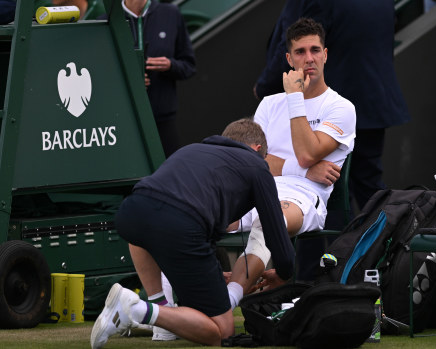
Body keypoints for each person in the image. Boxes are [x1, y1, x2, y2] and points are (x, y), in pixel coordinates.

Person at [89, 119, 295, 348]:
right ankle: (139, 310)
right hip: (181, 225)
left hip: (132, 212)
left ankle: (162, 313)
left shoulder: (192, 149)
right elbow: (277, 235)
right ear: (258, 149)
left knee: (144, 229)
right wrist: (284, 274)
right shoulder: (258, 166)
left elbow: (160, 207)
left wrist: (212, 277)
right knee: (223, 332)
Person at [226, 17, 356, 309]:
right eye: (300, 52)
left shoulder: (341, 107)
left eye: (314, 50)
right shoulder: (270, 104)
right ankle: (166, 307)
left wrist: (295, 97)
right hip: (253, 188)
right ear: (288, 58)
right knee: (193, 214)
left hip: (303, 198)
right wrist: (305, 169)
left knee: (268, 218)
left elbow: (307, 153)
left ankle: (229, 298)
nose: (308, 58)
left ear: (325, 54)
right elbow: (249, 161)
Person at [254, 0, 410, 211]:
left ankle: (361, 242)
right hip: (374, 101)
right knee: (367, 188)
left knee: (328, 191)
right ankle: (381, 242)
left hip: (330, 108)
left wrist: (266, 87)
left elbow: (298, 43)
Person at [114, 0, 196, 157]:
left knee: (171, 174)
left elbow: (189, 65)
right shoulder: (107, 20)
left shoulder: (171, 13)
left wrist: (170, 66)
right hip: (123, 122)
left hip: (163, 120)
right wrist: (128, 82)